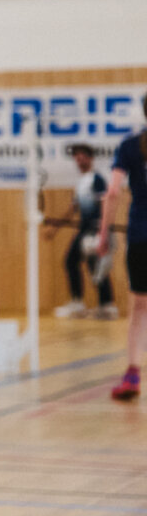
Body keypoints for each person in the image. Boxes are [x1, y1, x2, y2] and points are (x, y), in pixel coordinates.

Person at [96, 97, 147, 401]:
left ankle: (132, 375)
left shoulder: (130, 146)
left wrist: (104, 234)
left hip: (141, 235)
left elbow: (113, 192)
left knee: (139, 307)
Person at [50, 143, 117, 319]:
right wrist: (55, 228)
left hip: (94, 229)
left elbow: (105, 203)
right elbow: (74, 208)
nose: (79, 161)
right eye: (77, 159)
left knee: (94, 265)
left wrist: (103, 231)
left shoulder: (96, 179)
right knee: (72, 261)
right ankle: (79, 302)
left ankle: (106, 305)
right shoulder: (81, 182)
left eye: (82, 158)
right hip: (83, 230)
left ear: (90, 158)